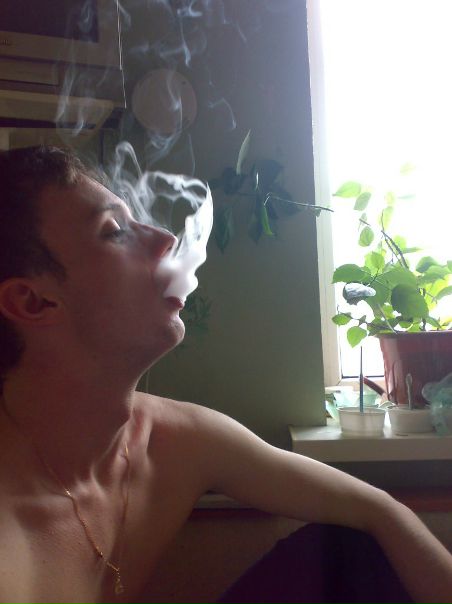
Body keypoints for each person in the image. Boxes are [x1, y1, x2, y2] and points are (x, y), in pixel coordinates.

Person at [0, 146, 450, 604]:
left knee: (350, 551)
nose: (165, 239)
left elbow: (378, 510)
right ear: (33, 302)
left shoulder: (172, 440)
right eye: (115, 231)